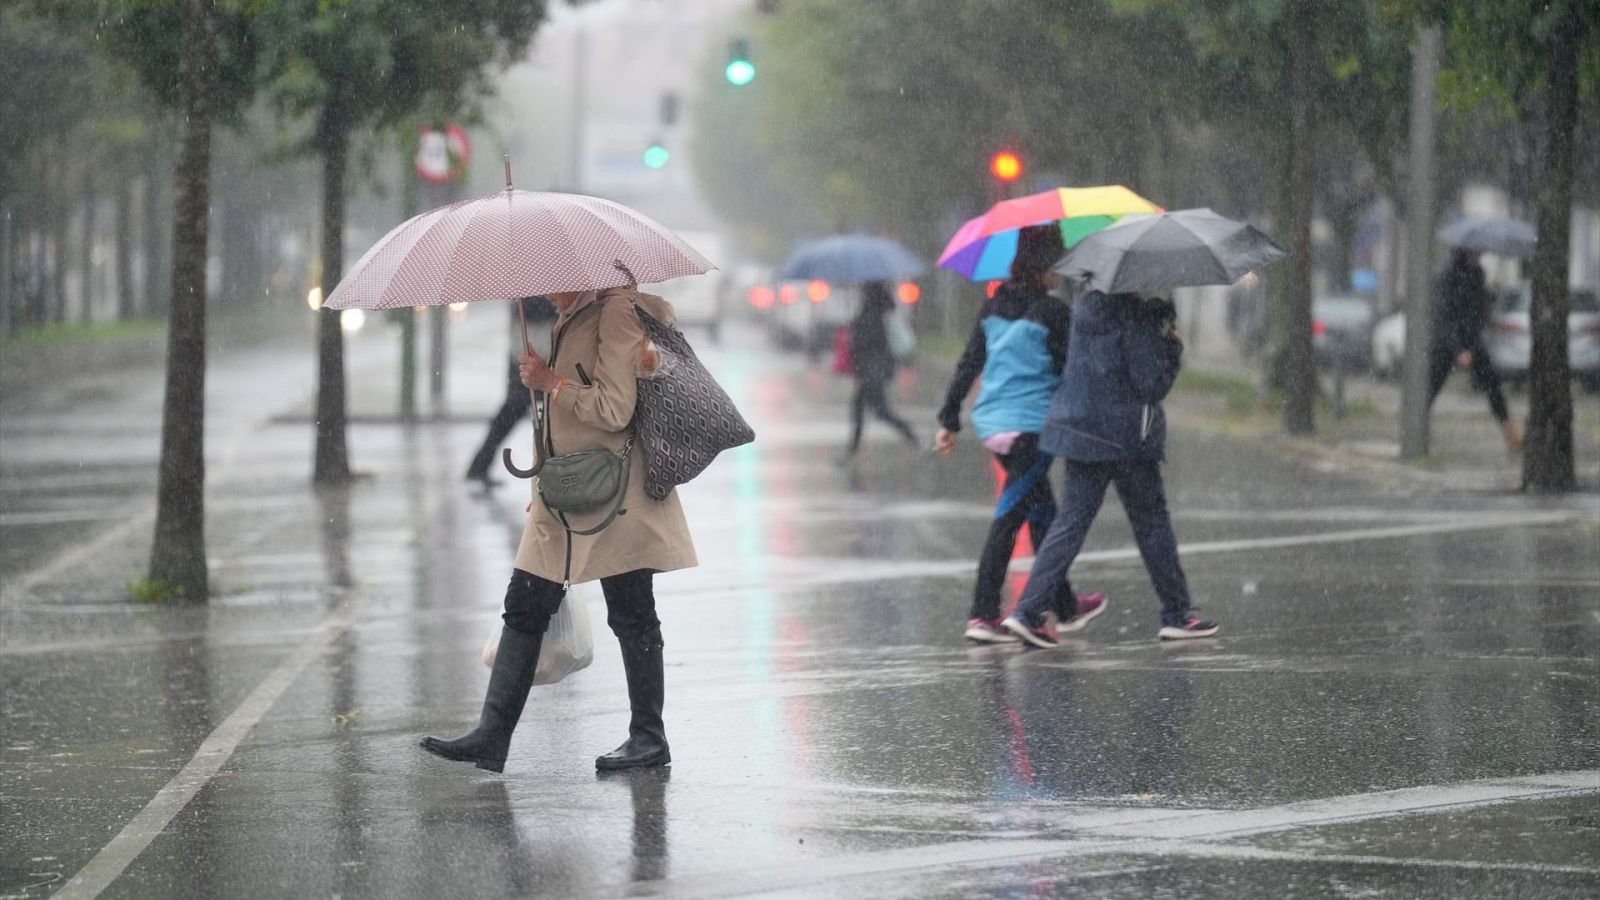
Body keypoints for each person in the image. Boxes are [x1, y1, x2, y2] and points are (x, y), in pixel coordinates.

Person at [422, 285, 697, 773]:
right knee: (525, 605)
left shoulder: (614, 314)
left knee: (631, 610)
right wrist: (540, 491)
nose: (543, 291)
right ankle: (492, 735)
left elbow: (615, 409)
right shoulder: (571, 315)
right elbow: (555, 423)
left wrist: (552, 382)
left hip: (616, 493)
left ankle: (649, 738)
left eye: (553, 282)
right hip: (567, 493)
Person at [1003, 290, 1217, 647]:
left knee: (1070, 523)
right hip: (1125, 437)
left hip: (1081, 430)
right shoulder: (1139, 315)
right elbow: (1150, 383)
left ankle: (1027, 611)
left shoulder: (1085, 309)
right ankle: (1178, 613)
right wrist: (1172, 347)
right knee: (1151, 523)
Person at [935, 224, 1105, 644]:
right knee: (1009, 517)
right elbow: (1074, 370)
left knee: (1041, 512)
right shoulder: (1054, 312)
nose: (1061, 274)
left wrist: (949, 417)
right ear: (1044, 268)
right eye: (1057, 265)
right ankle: (983, 613)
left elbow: (969, 362)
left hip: (992, 423)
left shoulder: (993, 306)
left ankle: (1064, 605)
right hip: (1031, 428)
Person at [1428, 249, 1522, 454]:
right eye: (1474, 253)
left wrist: (1489, 299)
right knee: (1431, 387)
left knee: (1493, 386)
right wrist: (1458, 349)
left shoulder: (1478, 274)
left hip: (1472, 341)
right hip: (1447, 344)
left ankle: (1511, 435)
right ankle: (1417, 432)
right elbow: (1444, 317)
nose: (1478, 256)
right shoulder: (1448, 276)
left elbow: (1475, 313)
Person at [465, 296, 560, 487]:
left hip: (530, 357)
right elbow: (536, 311)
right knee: (516, 412)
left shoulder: (524, 289)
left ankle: (479, 466)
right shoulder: (531, 292)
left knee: (517, 414)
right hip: (531, 359)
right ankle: (479, 466)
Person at [843, 281, 918, 458]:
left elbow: (866, 342)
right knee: (862, 408)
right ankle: (851, 451)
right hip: (874, 368)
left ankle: (910, 435)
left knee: (878, 410)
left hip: (873, 370)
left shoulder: (871, 310)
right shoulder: (878, 308)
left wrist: (854, 332)